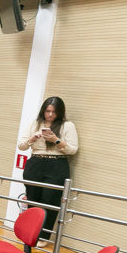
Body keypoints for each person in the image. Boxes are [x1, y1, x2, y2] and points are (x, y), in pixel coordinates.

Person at [17, 96, 78, 239]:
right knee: (33, 199)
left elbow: (73, 150)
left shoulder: (67, 126)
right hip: (36, 163)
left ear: (60, 112)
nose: (50, 115)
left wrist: (56, 140)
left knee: (50, 201)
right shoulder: (35, 124)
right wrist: (33, 138)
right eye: (47, 111)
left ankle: (44, 236)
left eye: (54, 112)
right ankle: (30, 234)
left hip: (57, 164)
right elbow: (21, 145)